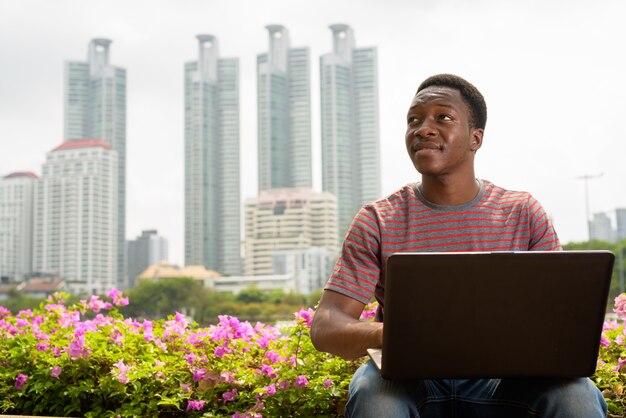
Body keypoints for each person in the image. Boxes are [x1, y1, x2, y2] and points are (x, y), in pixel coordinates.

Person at [309, 74, 607, 417]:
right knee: (374, 395)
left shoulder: (522, 213)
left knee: (574, 396)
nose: (423, 128)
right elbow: (327, 323)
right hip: (409, 382)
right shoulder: (378, 219)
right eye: (414, 120)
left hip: (505, 384)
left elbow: (561, 320)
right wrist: (391, 334)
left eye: (443, 117)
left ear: (475, 138)